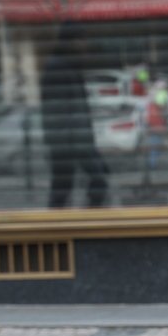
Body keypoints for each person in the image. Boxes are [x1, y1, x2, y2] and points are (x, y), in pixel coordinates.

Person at [39, 22, 109, 210]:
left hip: (73, 141)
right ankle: (86, 229)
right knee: (93, 182)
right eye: (82, 39)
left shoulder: (69, 66)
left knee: (65, 188)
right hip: (69, 143)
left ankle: (68, 228)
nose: (85, 44)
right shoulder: (59, 68)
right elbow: (60, 114)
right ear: (71, 41)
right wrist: (84, 148)